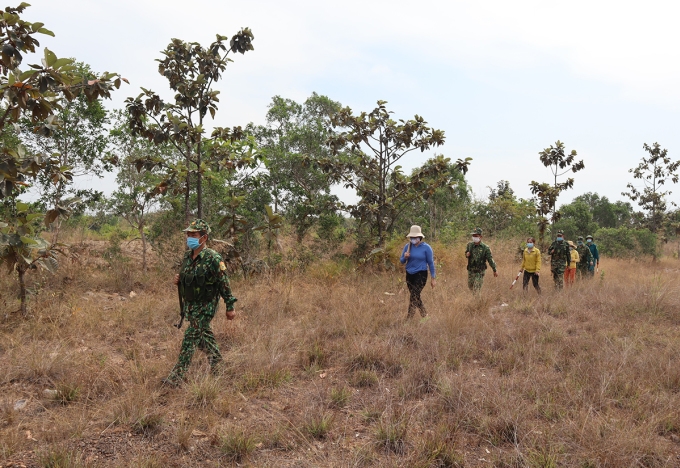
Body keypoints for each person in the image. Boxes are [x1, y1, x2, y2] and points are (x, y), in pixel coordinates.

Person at [163, 219, 237, 386]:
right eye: (188, 234)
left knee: (190, 337)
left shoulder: (213, 258)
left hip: (206, 305)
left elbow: (224, 283)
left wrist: (230, 307)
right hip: (191, 305)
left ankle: (177, 377)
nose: (189, 237)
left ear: (204, 237)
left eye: (193, 235)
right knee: (203, 337)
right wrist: (178, 280)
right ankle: (218, 366)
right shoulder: (187, 256)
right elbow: (187, 277)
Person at [400, 225, 436, 318]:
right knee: (415, 296)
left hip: (421, 274)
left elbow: (431, 263)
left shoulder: (426, 248)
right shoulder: (407, 247)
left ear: (420, 237)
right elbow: (402, 261)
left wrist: (433, 278)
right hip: (409, 274)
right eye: (412, 237)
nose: (413, 239)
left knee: (414, 295)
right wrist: (405, 257)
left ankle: (409, 319)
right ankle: (425, 315)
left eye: (415, 237)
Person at [465, 228, 498, 292]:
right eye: (473, 236)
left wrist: (494, 269)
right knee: (470, 286)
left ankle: (477, 301)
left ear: (480, 237)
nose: (474, 237)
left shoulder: (485, 248)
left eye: (476, 236)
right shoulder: (469, 245)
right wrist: (467, 254)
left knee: (477, 288)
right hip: (471, 270)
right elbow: (466, 253)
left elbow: (490, 259)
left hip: (480, 271)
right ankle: (474, 300)